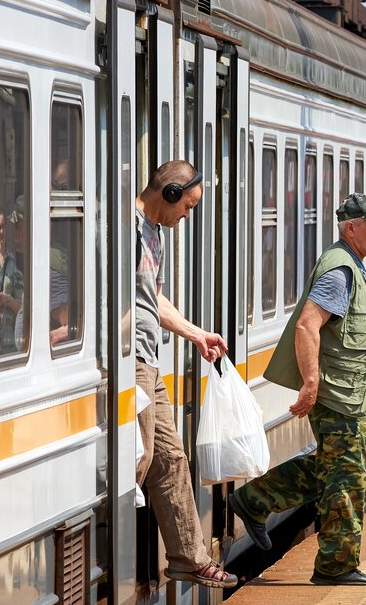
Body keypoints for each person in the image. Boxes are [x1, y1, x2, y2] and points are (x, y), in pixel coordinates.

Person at [230, 194, 366, 587]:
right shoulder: (339, 269)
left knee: (332, 468)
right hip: (338, 394)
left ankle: (254, 500)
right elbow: (307, 325)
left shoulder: (353, 264)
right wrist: (310, 383)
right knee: (347, 480)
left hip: (350, 392)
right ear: (350, 227)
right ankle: (336, 565)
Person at [133, 160, 235, 589]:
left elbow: (153, 297)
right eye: (187, 206)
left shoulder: (154, 235)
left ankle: (187, 558)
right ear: (169, 194)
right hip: (127, 363)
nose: (187, 216)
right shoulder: (127, 229)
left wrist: (196, 334)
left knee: (171, 457)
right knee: (136, 462)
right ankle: (118, 559)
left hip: (148, 358)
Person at [0, 205, 26, 356]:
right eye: (0, 227)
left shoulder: (19, 258)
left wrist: (8, 301)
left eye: (5, 228)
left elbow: (27, 310)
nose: (2, 232)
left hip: (13, 342)